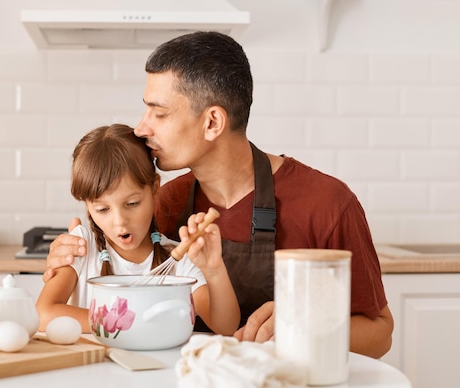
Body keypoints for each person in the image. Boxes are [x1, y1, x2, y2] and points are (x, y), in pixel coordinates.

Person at [42, 32, 393, 359]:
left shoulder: (326, 204)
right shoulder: (164, 203)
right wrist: (76, 248)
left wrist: (299, 328)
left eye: (159, 113)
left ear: (212, 122)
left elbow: (380, 335)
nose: (141, 128)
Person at [36, 124, 240, 336]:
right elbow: (43, 313)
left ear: (154, 188)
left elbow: (226, 326)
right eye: (103, 209)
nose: (120, 221)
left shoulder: (179, 260)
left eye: (132, 203)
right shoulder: (82, 248)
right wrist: (124, 322)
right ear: (87, 205)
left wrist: (214, 269)